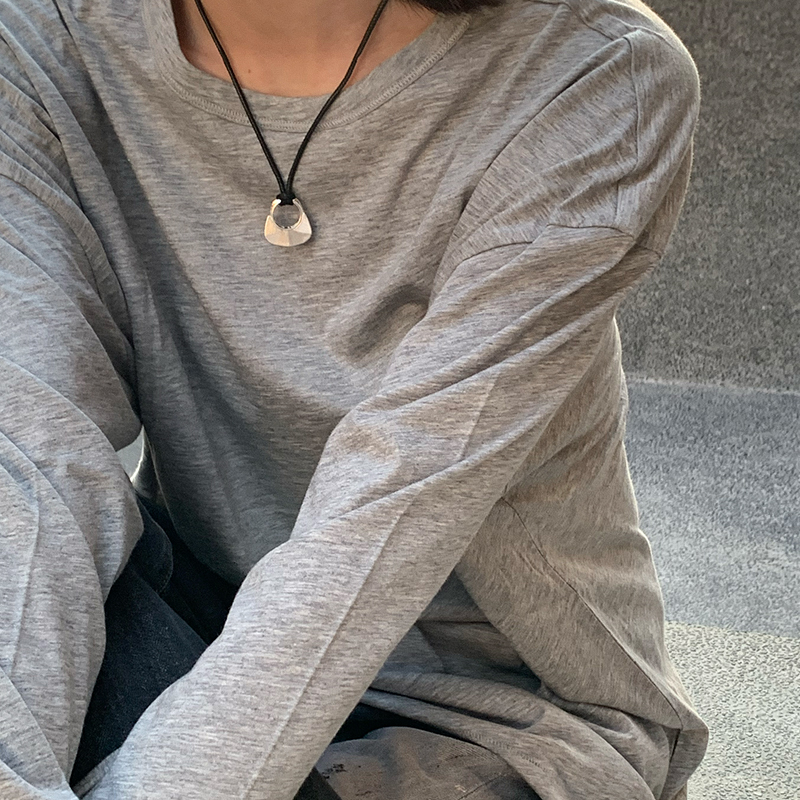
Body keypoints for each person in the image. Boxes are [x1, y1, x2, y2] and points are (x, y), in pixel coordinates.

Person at [0, 0, 709, 798]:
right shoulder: (41, 38)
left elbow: (400, 495)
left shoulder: (591, 71)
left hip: (498, 709)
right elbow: (31, 459)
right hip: (190, 619)